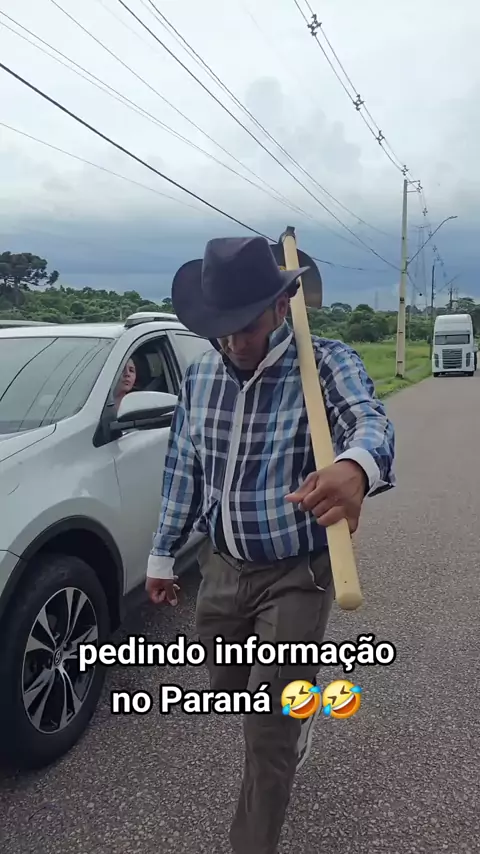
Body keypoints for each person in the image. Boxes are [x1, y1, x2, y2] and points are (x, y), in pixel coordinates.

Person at [145, 236, 396, 854]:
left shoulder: (324, 363)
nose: (235, 342)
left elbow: (370, 421)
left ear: (282, 308)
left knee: (268, 734)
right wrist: (162, 553)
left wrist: (356, 467)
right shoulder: (200, 377)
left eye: (248, 326)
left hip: (296, 573)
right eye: (222, 329)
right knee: (230, 684)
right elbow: (184, 468)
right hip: (222, 568)